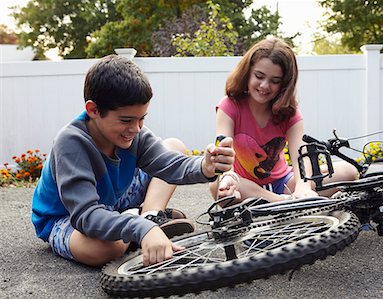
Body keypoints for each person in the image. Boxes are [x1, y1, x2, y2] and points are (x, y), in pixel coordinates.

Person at [31, 54, 235, 267]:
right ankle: (141, 225)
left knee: (174, 145)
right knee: (108, 249)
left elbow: (170, 164)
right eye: (126, 120)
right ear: (93, 110)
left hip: (112, 201)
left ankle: (150, 216)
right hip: (68, 216)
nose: (136, 129)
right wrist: (139, 228)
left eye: (142, 118)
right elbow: (86, 215)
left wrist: (206, 166)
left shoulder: (134, 133)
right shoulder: (71, 142)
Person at [210, 37, 357, 203]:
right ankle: (284, 202)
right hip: (244, 186)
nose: (264, 86)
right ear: (247, 72)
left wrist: (303, 187)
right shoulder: (229, 106)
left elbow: (301, 155)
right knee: (217, 186)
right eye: (259, 76)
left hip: (285, 183)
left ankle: (281, 201)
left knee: (347, 171)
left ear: (284, 84)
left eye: (275, 81)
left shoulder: (290, 114)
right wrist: (229, 177)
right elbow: (224, 153)